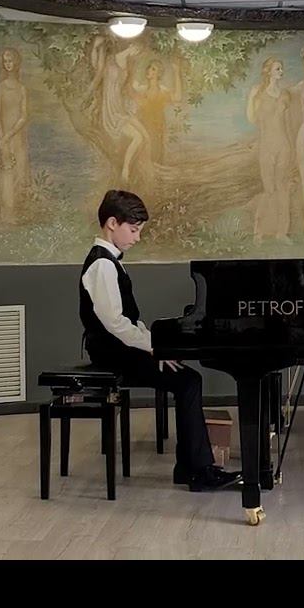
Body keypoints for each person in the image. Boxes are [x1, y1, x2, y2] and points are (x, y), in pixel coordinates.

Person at [78, 190, 241, 492]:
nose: (137, 237)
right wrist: (155, 348)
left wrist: (157, 345)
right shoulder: (102, 265)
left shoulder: (109, 261)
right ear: (112, 223)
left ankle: (189, 468)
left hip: (118, 348)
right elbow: (115, 324)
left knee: (187, 380)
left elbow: (129, 321)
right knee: (188, 382)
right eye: (133, 230)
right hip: (112, 353)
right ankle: (198, 472)